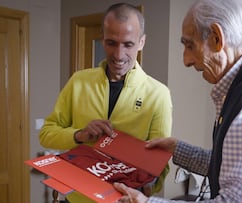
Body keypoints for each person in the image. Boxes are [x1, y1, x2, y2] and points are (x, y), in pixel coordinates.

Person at [113, 0, 242, 202]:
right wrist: (176, 148)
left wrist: (148, 202)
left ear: (216, 37)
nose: (186, 60)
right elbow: (232, 166)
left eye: (189, 45)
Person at [39, 3, 173, 203]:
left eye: (128, 44)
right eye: (111, 43)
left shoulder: (158, 94)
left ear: (142, 42)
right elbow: (46, 134)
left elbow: (160, 164)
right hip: (76, 199)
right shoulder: (78, 81)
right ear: (102, 39)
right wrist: (79, 135)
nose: (118, 55)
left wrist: (144, 189)